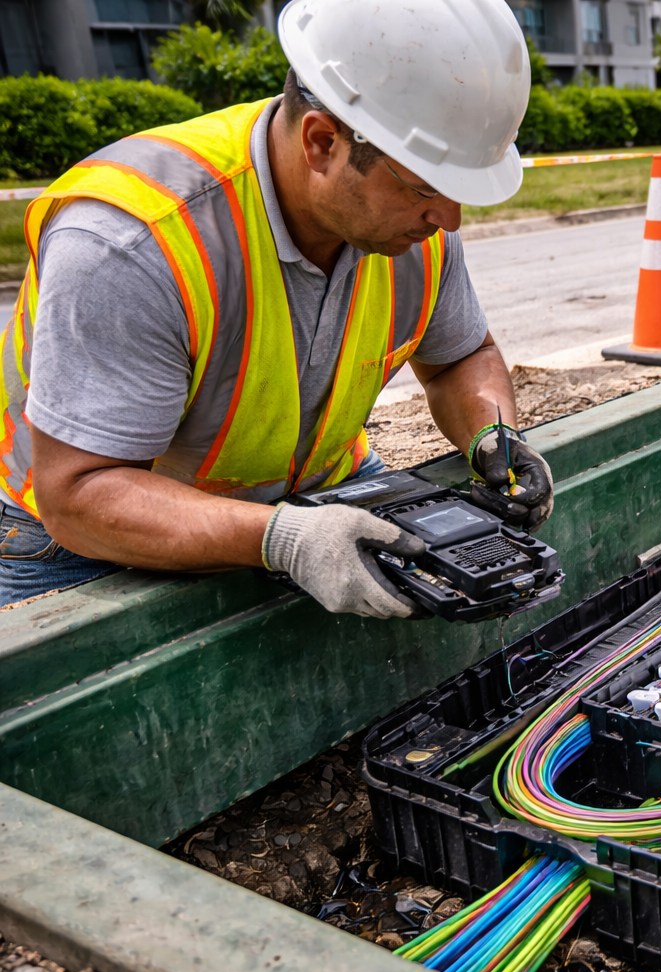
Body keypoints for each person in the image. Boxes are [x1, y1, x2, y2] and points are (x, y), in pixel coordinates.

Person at [0, 0, 552, 617]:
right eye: (426, 188)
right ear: (322, 142)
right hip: (83, 543)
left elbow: (460, 358)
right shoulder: (133, 244)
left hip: (319, 499)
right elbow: (80, 495)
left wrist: (492, 434)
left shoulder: (413, 230)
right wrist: (283, 537)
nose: (448, 221)